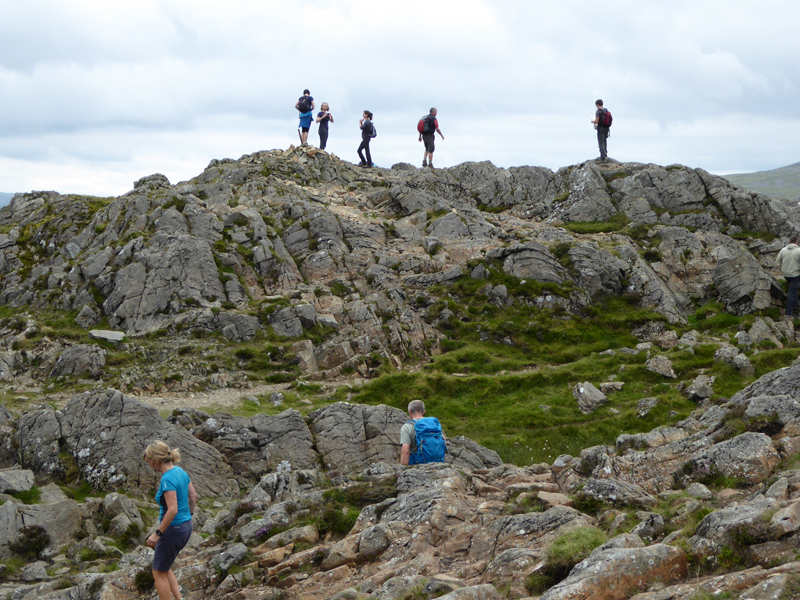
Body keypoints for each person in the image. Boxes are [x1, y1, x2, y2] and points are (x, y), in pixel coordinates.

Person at [143, 441, 197, 600]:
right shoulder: (180, 471)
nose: (149, 465)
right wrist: (190, 514)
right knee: (165, 567)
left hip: (172, 530)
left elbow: (172, 509)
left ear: (156, 460)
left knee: (158, 573)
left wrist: (158, 533)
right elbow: (193, 496)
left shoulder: (167, 479)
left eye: (149, 461)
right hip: (186, 527)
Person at [400, 399, 446, 465]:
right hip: (438, 463)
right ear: (424, 412)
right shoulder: (433, 424)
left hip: (417, 464)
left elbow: (405, 451)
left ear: (410, 412)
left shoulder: (407, 427)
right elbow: (443, 442)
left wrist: (403, 470)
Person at [776, 235, 800, 318]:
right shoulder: (798, 250)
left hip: (786, 274)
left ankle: (796, 307)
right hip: (795, 274)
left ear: (790, 242)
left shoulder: (783, 250)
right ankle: (789, 313)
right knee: (792, 292)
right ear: (797, 242)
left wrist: (782, 269)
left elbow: (777, 261)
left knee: (794, 289)